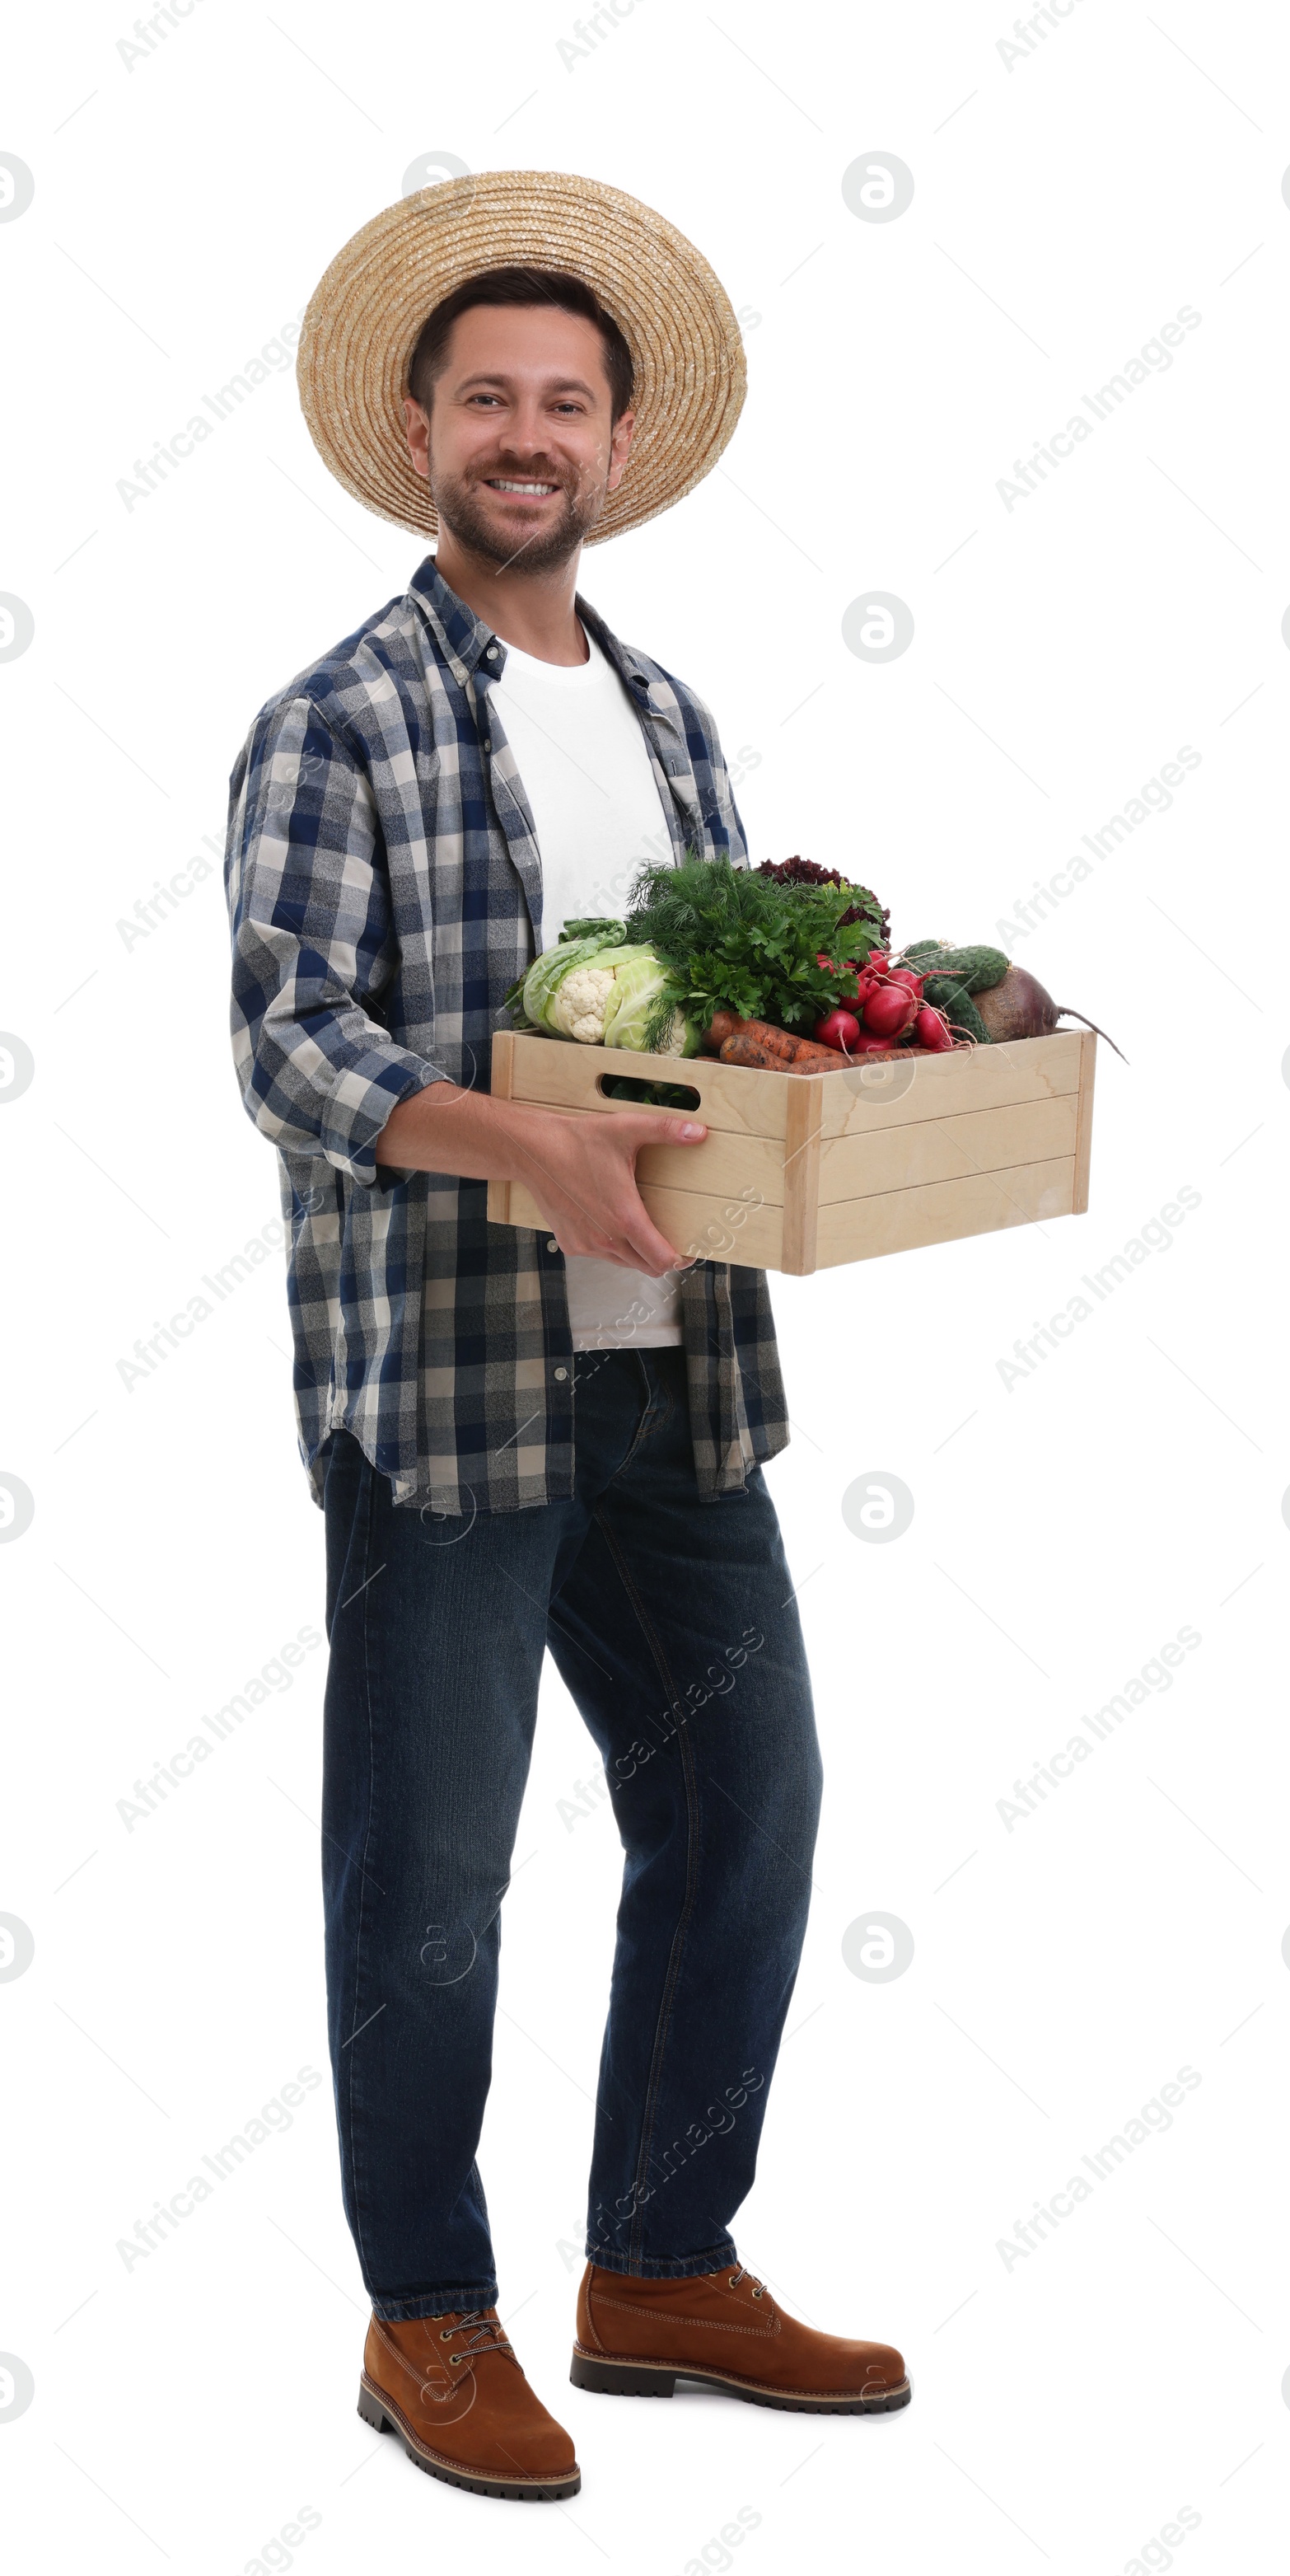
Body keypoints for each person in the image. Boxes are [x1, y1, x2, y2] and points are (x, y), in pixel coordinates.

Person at [226, 170, 908, 2504]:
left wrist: (856, 1065)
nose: (530, 434)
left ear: (616, 449)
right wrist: (521, 1150)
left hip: (676, 1379)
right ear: (419, 433)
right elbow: (291, 1047)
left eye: (567, 403)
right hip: (457, 1398)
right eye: (488, 397)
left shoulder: (682, 724)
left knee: (747, 1805)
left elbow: (713, 1026)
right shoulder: (339, 722)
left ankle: (660, 2264)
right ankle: (426, 2316)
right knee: (432, 1875)